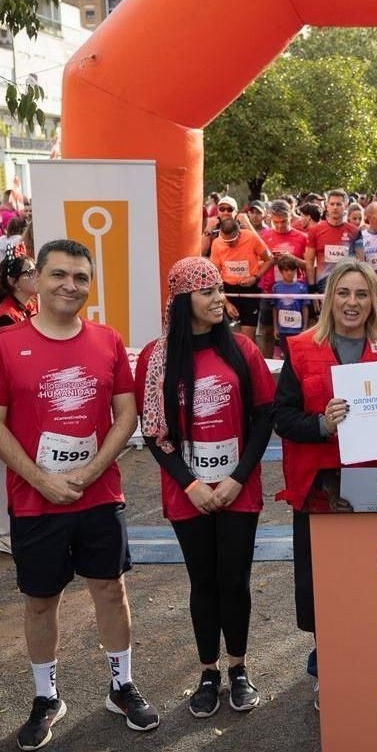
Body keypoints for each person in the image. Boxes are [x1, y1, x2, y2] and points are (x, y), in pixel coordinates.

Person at [0, 239, 159, 752]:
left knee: (110, 592)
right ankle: (45, 696)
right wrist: (41, 479)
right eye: (58, 275)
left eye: (79, 278)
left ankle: (121, 686)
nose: (69, 286)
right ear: (39, 277)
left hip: (98, 496)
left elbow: (126, 416)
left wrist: (92, 469)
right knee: (40, 602)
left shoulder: (106, 340)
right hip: (36, 500)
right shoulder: (7, 344)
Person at [137, 257, 277, 718]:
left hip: (239, 490)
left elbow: (264, 418)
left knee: (234, 580)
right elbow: (155, 433)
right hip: (188, 492)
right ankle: (208, 672)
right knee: (203, 582)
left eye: (220, 289)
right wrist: (191, 484)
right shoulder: (157, 358)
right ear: (183, 302)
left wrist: (237, 478)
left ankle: (238, 667)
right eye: (208, 292)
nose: (220, 298)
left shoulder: (242, 351)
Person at [273, 259, 377, 709]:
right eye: (343, 293)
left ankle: (373, 663)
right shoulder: (300, 347)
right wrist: (321, 425)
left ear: (373, 301)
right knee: (324, 583)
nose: (352, 303)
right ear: (330, 299)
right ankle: (328, 665)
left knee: (375, 578)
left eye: (361, 294)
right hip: (321, 485)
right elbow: (282, 418)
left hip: (376, 481)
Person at [0, 253, 40, 554]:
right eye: (30, 272)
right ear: (13, 281)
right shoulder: (6, 315)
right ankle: (4, 534)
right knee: (2, 473)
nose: (36, 276)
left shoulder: (26, 309)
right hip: (3, 409)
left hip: (17, 409)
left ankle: (11, 530)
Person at [257, 200, 311, 356]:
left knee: (296, 334)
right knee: (268, 332)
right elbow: (257, 264)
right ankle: (267, 367)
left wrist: (291, 258)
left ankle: (294, 365)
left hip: (295, 292)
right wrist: (269, 261)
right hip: (269, 290)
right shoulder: (264, 237)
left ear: (290, 217)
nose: (280, 226)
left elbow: (309, 265)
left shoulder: (301, 237)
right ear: (270, 219)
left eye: (284, 221)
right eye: (275, 222)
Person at [208, 217, 273, 340]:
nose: (228, 244)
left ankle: (247, 358)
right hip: (227, 291)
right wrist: (226, 303)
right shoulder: (217, 243)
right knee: (225, 337)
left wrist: (255, 277)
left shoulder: (251, 237)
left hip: (249, 290)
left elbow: (269, 259)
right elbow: (215, 276)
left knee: (247, 338)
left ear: (239, 234)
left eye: (232, 241)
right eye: (225, 241)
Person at [304, 189, 358, 292]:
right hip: (323, 286)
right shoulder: (315, 231)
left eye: (339, 204)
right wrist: (312, 288)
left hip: (348, 286)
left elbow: (360, 262)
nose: (335, 207)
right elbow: (309, 262)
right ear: (326, 206)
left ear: (346, 206)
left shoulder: (355, 232)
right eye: (332, 204)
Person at [269, 255, 311, 358]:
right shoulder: (276, 287)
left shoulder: (301, 288)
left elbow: (305, 308)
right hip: (282, 329)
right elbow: (275, 308)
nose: (289, 273)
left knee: (296, 354)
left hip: (297, 329)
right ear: (281, 271)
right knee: (284, 353)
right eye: (286, 270)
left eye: (292, 270)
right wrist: (275, 327)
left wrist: (305, 327)